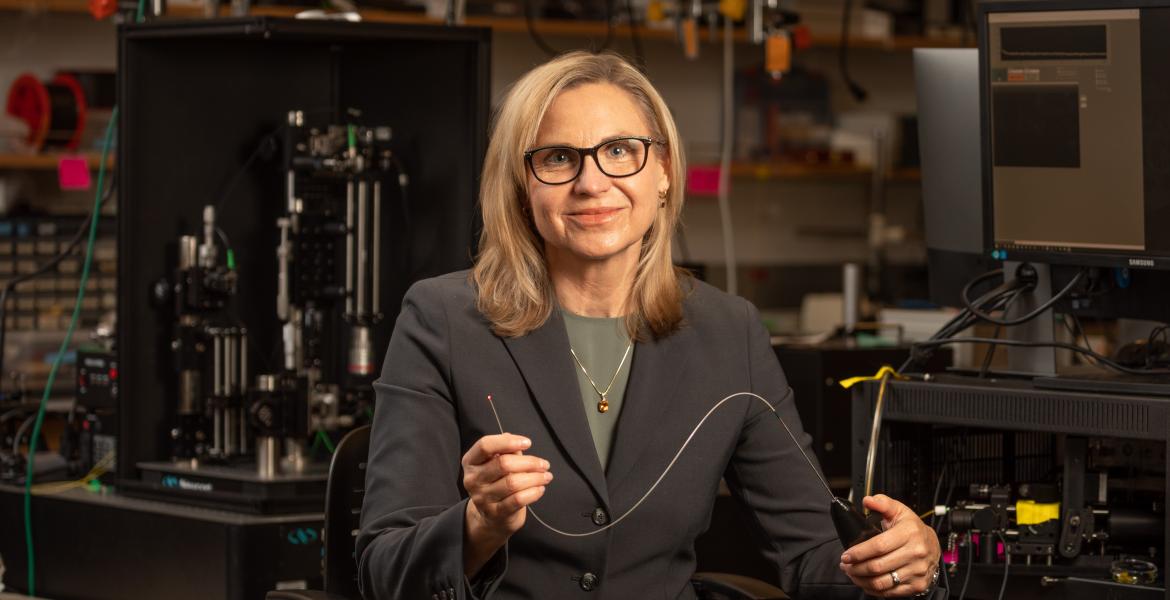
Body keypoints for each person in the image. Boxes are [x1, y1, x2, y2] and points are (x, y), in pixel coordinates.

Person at [357, 51, 941, 600]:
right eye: (558, 157)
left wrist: (892, 568)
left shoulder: (728, 330)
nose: (591, 183)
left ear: (662, 171)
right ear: (521, 185)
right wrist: (478, 524)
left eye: (620, 150)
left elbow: (817, 553)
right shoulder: (443, 321)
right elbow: (382, 570)